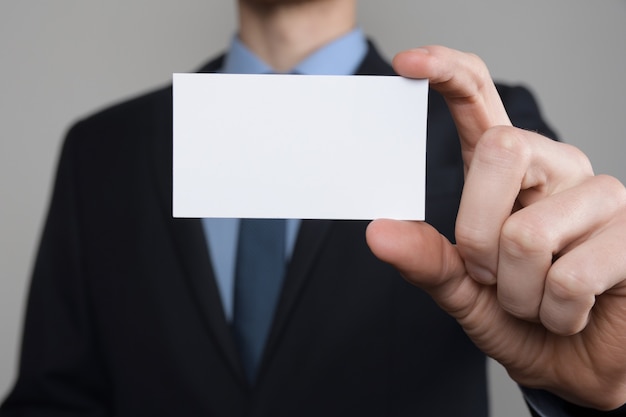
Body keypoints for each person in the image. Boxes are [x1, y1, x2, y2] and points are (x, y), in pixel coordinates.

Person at [2, 0, 625, 415]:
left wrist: (590, 393)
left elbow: (570, 345)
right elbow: (53, 397)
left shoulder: (490, 136)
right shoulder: (104, 149)